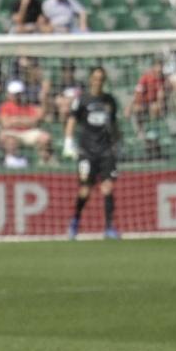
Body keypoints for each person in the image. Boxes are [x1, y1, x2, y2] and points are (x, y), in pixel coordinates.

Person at [65, 65, 122, 240]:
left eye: (101, 78)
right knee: (85, 191)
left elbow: (113, 124)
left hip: (105, 150)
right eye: (96, 78)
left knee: (108, 188)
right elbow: (72, 120)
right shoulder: (82, 100)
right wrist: (68, 142)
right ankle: (75, 221)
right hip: (87, 151)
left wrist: (118, 142)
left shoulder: (109, 101)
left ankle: (109, 228)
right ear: (91, 79)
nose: (98, 81)